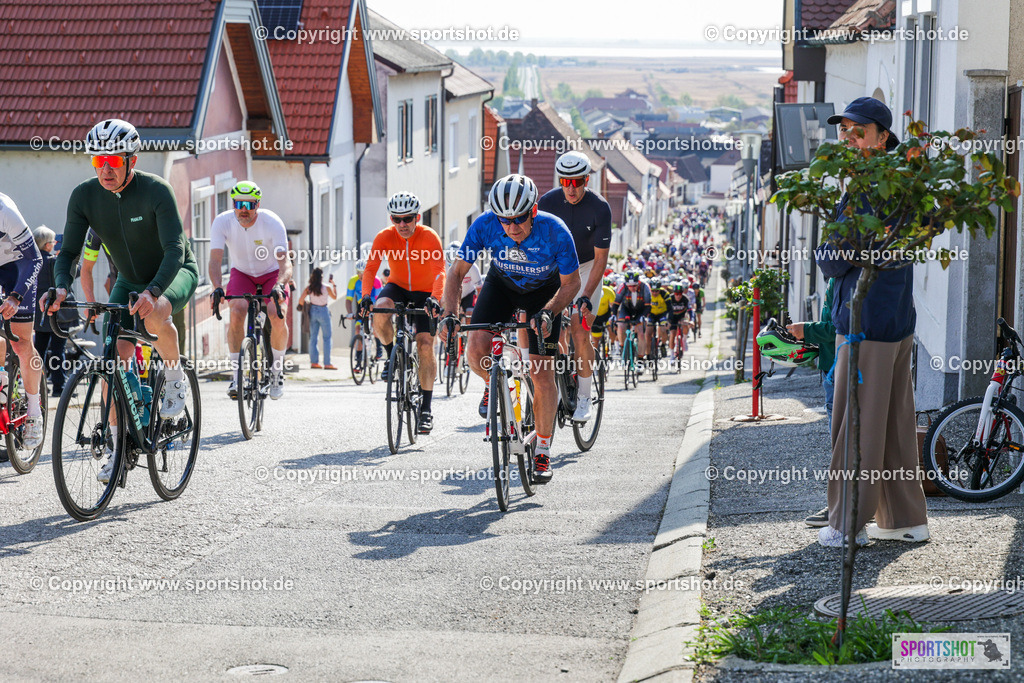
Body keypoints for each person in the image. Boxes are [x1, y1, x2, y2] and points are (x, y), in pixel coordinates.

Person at [48, 119, 199, 483]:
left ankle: (175, 375)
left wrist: (154, 292)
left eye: (113, 162)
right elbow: (67, 251)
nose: (105, 170)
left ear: (131, 160)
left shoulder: (156, 190)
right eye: (97, 162)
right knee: (112, 363)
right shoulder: (84, 196)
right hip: (129, 281)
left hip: (172, 273)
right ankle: (119, 448)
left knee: (153, 316)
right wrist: (61, 287)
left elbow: (175, 250)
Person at [815, 96, 928, 547]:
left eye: (858, 130)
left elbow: (836, 256)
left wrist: (829, 252)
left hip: (866, 323)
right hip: (894, 320)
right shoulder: (901, 181)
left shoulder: (869, 187)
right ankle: (905, 519)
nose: (848, 137)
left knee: (854, 423)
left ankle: (846, 526)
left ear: (883, 137)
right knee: (896, 425)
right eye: (843, 130)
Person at [440, 174, 580, 483]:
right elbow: (456, 272)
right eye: (505, 220)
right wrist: (448, 313)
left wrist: (548, 312)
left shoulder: (555, 231)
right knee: (476, 350)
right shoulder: (484, 225)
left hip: (544, 293)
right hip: (501, 285)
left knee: (541, 374)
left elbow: (572, 284)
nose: (512, 226)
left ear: (533, 211)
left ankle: (542, 450)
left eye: (519, 218)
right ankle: (493, 382)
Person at [358, 192, 445, 434]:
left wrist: (435, 298)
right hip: (397, 286)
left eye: (408, 218)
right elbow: (371, 268)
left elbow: (440, 272)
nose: (402, 224)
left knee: (425, 344)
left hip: (426, 291)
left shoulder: (429, 237)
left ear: (417, 217)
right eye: (397, 219)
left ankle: (426, 409)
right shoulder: (384, 237)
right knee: (380, 309)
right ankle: (391, 356)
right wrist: (366, 295)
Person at [537, 151, 612, 422]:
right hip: (557, 268)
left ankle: (584, 395)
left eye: (576, 182)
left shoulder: (599, 207)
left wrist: (586, 297)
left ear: (586, 180)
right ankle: (557, 381)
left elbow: (601, 259)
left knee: (580, 325)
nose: (570, 188)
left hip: (588, 266)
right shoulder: (546, 202)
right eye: (564, 182)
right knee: (548, 326)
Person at [209, 180, 292, 399]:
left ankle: (276, 371)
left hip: (271, 273)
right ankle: (236, 376)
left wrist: (280, 285)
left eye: (250, 204)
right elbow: (215, 261)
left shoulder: (272, 222)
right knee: (236, 311)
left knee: (275, 313)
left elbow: (285, 262)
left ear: (258, 204)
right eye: (239, 203)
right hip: (242, 272)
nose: (244, 209)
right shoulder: (222, 221)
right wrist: (217, 288)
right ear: (233, 203)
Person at [788, 277, 837, 528]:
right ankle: (844, 505)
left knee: (840, 444)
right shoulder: (839, 279)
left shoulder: (845, 281)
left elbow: (837, 328)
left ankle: (840, 508)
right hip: (832, 368)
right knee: (841, 443)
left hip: (839, 371)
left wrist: (806, 329)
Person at [0, 194, 44, 449]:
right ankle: (3, 387)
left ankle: (34, 412)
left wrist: (16, 297)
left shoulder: (5, 210)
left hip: (19, 267)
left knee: (21, 342)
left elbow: (35, 259)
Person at [32, 226, 66, 398]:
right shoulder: (54, 262)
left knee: (38, 351)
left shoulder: (33, 262)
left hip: (39, 314)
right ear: (46, 245)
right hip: (57, 314)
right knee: (58, 351)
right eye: (53, 242)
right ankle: (59, 387)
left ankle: (35, 387)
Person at [298, 267, 338, 369]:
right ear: (321, 277)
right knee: (327, 338)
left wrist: (304, 305)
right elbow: (334, 297)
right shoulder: (327, 287)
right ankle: (327, 363)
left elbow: (301, 300)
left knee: (313, 338)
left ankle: (314, 362)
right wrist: (334, 285)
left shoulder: (309, 288)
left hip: (313, 311)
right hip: (324, 311)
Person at [346, 259, 382, 361]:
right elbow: (349, 299)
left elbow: (379, 298)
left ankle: (379, 348)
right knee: (358, 330)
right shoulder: (353, 280)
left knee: (375, 326)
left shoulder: (376, 280)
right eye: (358, 273)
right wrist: (349, 313)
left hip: (374, 304)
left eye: (363, 273)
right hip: (361, 306)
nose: (361, 275)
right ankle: (358, 358)